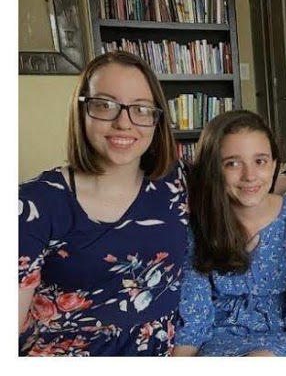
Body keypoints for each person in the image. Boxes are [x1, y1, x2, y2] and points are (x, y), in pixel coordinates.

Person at [18, 51, 187, 355]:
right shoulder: (32, 204)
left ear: (156, 119)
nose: (124, 122)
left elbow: (242, 188)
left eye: (141, 109)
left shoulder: (177, 183)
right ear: (81, 110)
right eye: (105, 105)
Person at [173, 110, 286, 356]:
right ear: (213, 169)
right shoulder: (199, 224)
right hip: (216, 339)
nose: (249, 175)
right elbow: (194, 316)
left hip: (279, 336)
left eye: (260, 161)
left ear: (274, 164)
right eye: (232, 163)